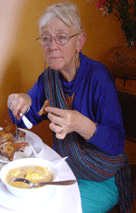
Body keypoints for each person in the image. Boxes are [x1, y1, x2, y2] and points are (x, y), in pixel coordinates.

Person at [7, 2, 133, 212]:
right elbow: (25, 119)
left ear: (79, 41)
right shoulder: (48, 77)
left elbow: (117, 143)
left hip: (102, 178)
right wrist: (18, 103)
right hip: (65, 169)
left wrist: (82, 125)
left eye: (62, 37)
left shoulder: (98, 77)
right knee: (25, 199)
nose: (52, 46)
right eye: (46, 38)